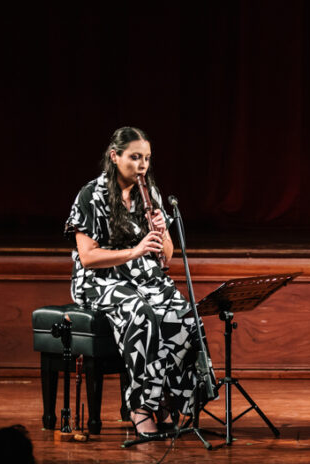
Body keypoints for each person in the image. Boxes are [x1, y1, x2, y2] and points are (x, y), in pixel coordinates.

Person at [65, 126, 213, 441]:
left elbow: (167, 258)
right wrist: (134, 251)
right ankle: (140, 406)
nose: (142, 164)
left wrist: (160, 231)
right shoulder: (91, 195)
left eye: (146, 158)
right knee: (141, 315)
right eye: (134, 157)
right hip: (99, 280)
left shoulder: (151, 194)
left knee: (184, 315)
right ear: (114, 156)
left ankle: (168, 400)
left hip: (143, 275)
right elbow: (88, 257)